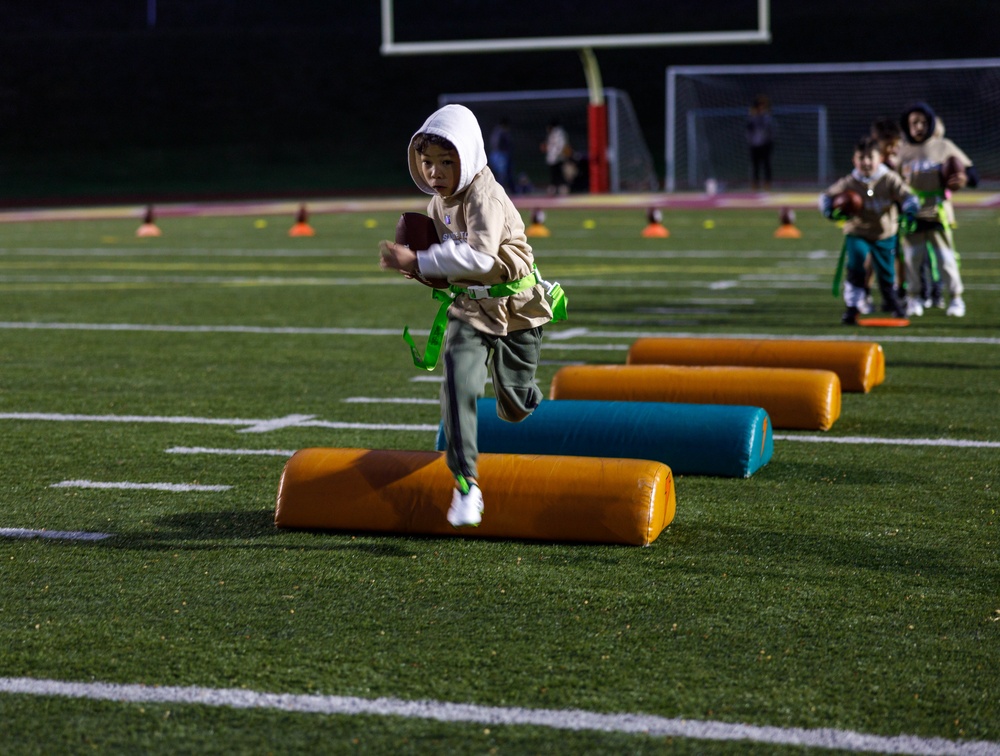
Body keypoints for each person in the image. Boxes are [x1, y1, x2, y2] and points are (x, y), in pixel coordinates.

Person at [378, 104, 554, 528]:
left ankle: (524, 393)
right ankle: (466, 484)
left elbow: (478, 257)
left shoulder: (484, 195)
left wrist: (420, 260)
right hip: (470, 311)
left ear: (469, 156)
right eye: (427, 163)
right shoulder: (438, 204)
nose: (435, 172)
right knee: (457, 384)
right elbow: (451, 269)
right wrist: (420, 271)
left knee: (515, 405)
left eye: (446, 162)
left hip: (514, 308)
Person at [820, 136, 920, 325]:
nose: (866, 162)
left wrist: (910, 212)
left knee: (886, 271)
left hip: (884, 233)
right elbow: (826, 196)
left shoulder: (889, 178)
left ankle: (891, 301)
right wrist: (829, 210)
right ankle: (852, 306)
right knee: (857, 263)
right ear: (854, 160)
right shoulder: (850, 182)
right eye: (861, 158)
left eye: (869, 157)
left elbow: (909, 196)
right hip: (857, 231)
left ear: (879, 159)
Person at [896, 102, 979, 317]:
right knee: (912, 259)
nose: (919, 127)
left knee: (946, 258)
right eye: (914, 122)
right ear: (907, 125)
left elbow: (972, 174)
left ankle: (956, 298)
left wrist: (964, 177)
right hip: (912, 212)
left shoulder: (944, 146)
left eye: (924, 122)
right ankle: (914, 297)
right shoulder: (901, 151)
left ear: (931, 123)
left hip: (937, 210)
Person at [746, 94, 775, 191]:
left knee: (766, 164)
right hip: (754, 144)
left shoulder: (767, 117)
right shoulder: (752, 117)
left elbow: (770, 128)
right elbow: (749, 128)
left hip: (765, 144)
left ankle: (767, 183)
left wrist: (769, 141)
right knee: (755, 165)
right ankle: (755, 183)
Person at [541, 119, 570, 195]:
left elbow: (560, 146)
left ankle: (560, 188)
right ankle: (555, 188)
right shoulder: (554, 134)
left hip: (557, 158)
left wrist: (556, 155)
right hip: (554, 158)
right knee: (555, 174)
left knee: (558, 174)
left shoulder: (558, 133)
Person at [487, 118, 514, 191]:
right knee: (501, 173)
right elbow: (496, 144)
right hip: (499, 154)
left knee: (501, 173)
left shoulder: (497, 131)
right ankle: (498, 189)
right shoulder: (501, 132)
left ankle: (499, 188)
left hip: (497, 153)